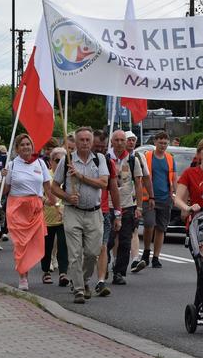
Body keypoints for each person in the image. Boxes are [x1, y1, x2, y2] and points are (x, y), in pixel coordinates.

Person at [51, 127, 108, 304]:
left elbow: (103, 183)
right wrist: (67, 196)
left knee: (92, 253)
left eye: (87, 140)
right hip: (73, 212)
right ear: (75, 142)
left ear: (92, 142)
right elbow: (54, 187)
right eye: (81, 140)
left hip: (94, 212)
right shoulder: (66, 161)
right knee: (75, 254)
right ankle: (78, 290)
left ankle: (83, 279)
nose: (84, 143)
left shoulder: (99, 160)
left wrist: (81, 176)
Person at [3, 134, 54, 291]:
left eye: (28, 144)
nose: (26, 147)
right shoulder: (12, 165)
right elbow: (5, 191)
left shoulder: (40, 163)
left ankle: (26, 270)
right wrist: (2, 178)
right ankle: (23, 276)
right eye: (22, 145)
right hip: (17, 207)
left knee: (34, 243)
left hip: (35, 208)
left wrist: (55, 202)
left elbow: (47, 187)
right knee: (20, 244)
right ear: (17, 148)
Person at [106, 130, 143, 285]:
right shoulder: (106, 159)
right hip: (107, 205)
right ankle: (104, 263)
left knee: (125, 242)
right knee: (107, 241)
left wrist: (139, 206)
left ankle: (119, 273)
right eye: (117, 140)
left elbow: (139, 183)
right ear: (112, 142)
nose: (120, 143)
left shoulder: (133, 159)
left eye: (123, 140)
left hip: (127, 205)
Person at [139, 131, 176, 269]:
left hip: (165, 198)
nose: (163, 145)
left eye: (165, 143)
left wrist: (175, 194)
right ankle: (146, 250)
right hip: (148, 197)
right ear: (155, 142)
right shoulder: (147, 156)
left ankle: (156, 257)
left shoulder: (170, 158)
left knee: (161, 228)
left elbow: (174, 177)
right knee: (149, 224)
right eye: (160, 143)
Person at [92, 131, 120, 297]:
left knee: (103, 247)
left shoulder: (109, 163)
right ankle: (81, 280)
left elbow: (114, 190)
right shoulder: (78, 161)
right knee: (87, 251)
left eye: (103, 147)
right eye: (97, 147)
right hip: (84, 212)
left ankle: (101, 281)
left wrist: (117, 213)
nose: (100, 150)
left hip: (103, 212)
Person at [41, 147, 69, 287]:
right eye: (57, 160)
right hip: (47, 217)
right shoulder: (46, 175)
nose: (60, 163)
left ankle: (63, 273)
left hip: (65, 218)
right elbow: (38, 195)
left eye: (63, 160)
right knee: (47, 247)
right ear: (51, 161)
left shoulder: (69, 176)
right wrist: (47, 201)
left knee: (63, 245)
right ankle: (46, 271)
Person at [125, 130, 152, 272]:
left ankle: (135, 259)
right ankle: (115, 260)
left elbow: (146, 178)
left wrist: (151, 196)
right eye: (128, 139)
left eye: (133, 140)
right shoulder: (113, 156)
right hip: (116, 200)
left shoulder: (139, 156)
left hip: (133, 199)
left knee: (134, 229)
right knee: (117, 234)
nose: (131, 142)